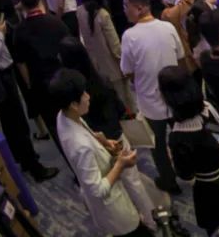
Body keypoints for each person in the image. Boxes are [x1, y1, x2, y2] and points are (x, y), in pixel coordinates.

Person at [51, 68, 154, 237]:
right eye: (84, 94)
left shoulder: (64, 116)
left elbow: (84, 133)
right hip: (113, 206)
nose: (88, 96)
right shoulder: (81, 146)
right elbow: (97, 189)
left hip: (110, 200)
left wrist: (102, 142)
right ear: (73, 104)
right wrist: (120, 164)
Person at [0, 0, 57, 181]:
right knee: (17, 122)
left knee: (10, 121)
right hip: (2, 74)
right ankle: (34, 166)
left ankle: (23, 158)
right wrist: (1, 33)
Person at [158, 66, 219, 235]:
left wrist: (173, 158)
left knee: (217, 227)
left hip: (208, 190)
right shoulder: (210, 106)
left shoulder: (179, 137)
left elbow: (186, 175)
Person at [119, 0, 183, 194]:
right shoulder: (168, 28)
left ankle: (169, 181)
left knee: (158, 146)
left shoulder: (129, 36)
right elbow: (180, 57)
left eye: (126, 5)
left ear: (139, 7)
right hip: (175, 97)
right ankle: (187, 171)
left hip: (149, 102)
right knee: (181, 137)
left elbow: (127, 71)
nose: (124, 10)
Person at [12, 0, 71, 152]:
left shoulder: (19, 31)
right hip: (64, 79)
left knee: (55, 127)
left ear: (22, 5)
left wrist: (30, 85)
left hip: (40, 85)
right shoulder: (56, 22)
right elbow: (69, 49)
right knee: (74, 122)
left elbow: (21, 64)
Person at [77, 0, 134, 112]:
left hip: (96, 67)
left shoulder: (79, 12)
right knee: (126, 104)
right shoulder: (103, 14)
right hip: (113, 67)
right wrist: (126, 65)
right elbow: (115, 46)